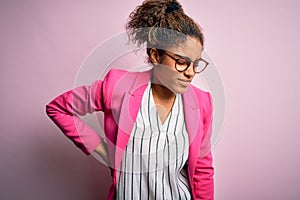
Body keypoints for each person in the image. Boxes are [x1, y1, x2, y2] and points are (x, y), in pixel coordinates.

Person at [46, 0, 214, 199]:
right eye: (181, 62)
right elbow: (57, 108)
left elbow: (202, 171)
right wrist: (102, 150)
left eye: (195, 64)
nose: (190, 72)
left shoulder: (202, 103)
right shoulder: (117, 86)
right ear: (155, 55)